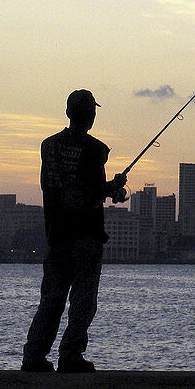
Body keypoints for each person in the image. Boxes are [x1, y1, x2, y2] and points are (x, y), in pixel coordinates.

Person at [21, 89, 127, 373]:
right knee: (83, 299)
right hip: (85, 237)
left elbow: (65, 189)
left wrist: (106, 190)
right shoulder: (96, 150)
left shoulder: (48, 146)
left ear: (68, 113)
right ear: (91, 115)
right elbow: (91, 192)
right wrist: (112, 188)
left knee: (51, 299)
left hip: (56, 235)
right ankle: (70, 354)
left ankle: (33, 355)